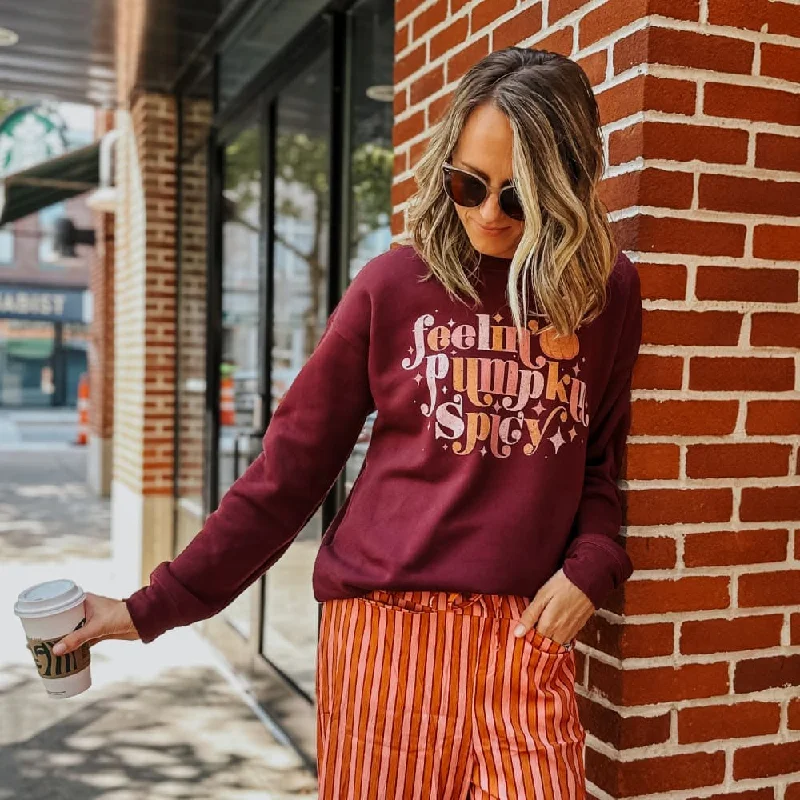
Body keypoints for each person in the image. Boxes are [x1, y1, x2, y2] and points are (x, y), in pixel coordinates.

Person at [54, 46, 643, 799]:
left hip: (525, 636)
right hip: (386, 637)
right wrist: (151, 608)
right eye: (467, 184)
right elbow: (287, 475)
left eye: (518, 195)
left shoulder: (607, 294)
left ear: (564, 187)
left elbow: (597, 461)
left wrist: (592, 566)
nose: (488, 215)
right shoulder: (395, 286)